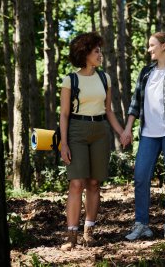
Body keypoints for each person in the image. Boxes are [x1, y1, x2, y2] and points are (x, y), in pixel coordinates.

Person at [120, 32, 165, 240]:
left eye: (152, 45)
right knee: (141, 176)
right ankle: (142, 224)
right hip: (147, 135)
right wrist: (127, 129)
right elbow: (135, 103)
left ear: (163, 46)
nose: (148, 49)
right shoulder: (146, 73)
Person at [60, 31, 125, 250]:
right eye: (96, 51)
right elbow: (64, 114)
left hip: (100, 131)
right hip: (76, 131)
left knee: (94, 183)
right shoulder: (71, 79)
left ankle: (89, 231)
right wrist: (64, 143)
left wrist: (122, 132)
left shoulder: (104, 78)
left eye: (100, 51)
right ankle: (71, 235)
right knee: (77, 183)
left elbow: (108, 111)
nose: (100, 55)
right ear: (85, 53)